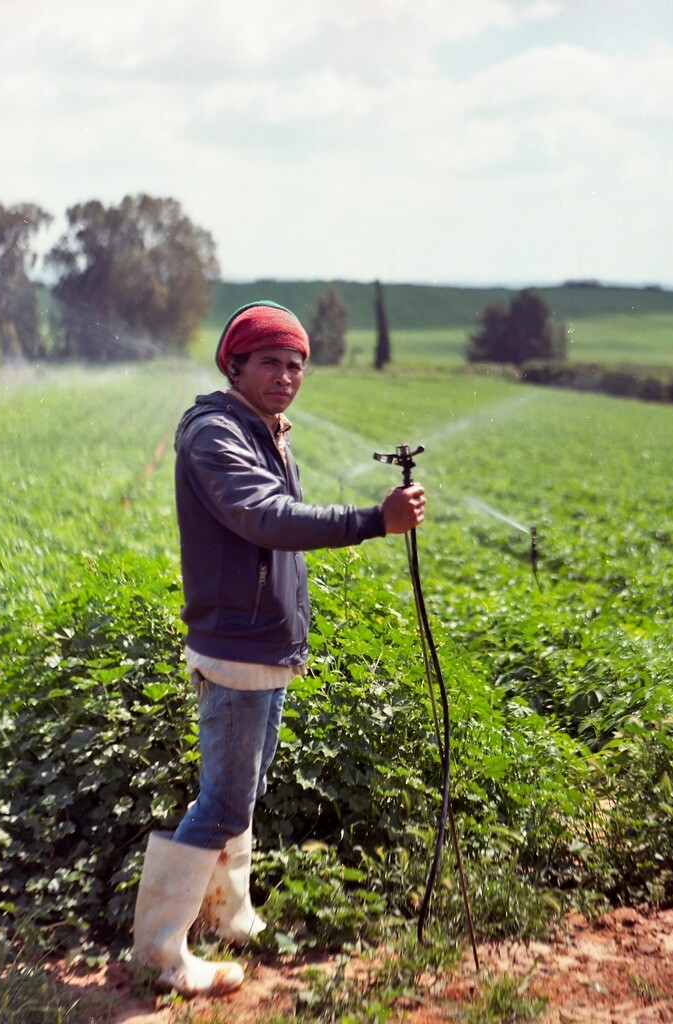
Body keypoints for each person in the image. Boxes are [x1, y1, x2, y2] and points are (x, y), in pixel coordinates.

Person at [132, 301, 425, 997]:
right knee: (224, 803)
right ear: (234, 364)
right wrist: (370, 521)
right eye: (271, 361)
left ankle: (228, 917)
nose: (287, 374)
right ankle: (162, 952)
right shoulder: (215, 434)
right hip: (234, 647)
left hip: (262, 645)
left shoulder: (263, 429)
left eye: (296, 363)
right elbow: (262, 516)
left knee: (244, 793)